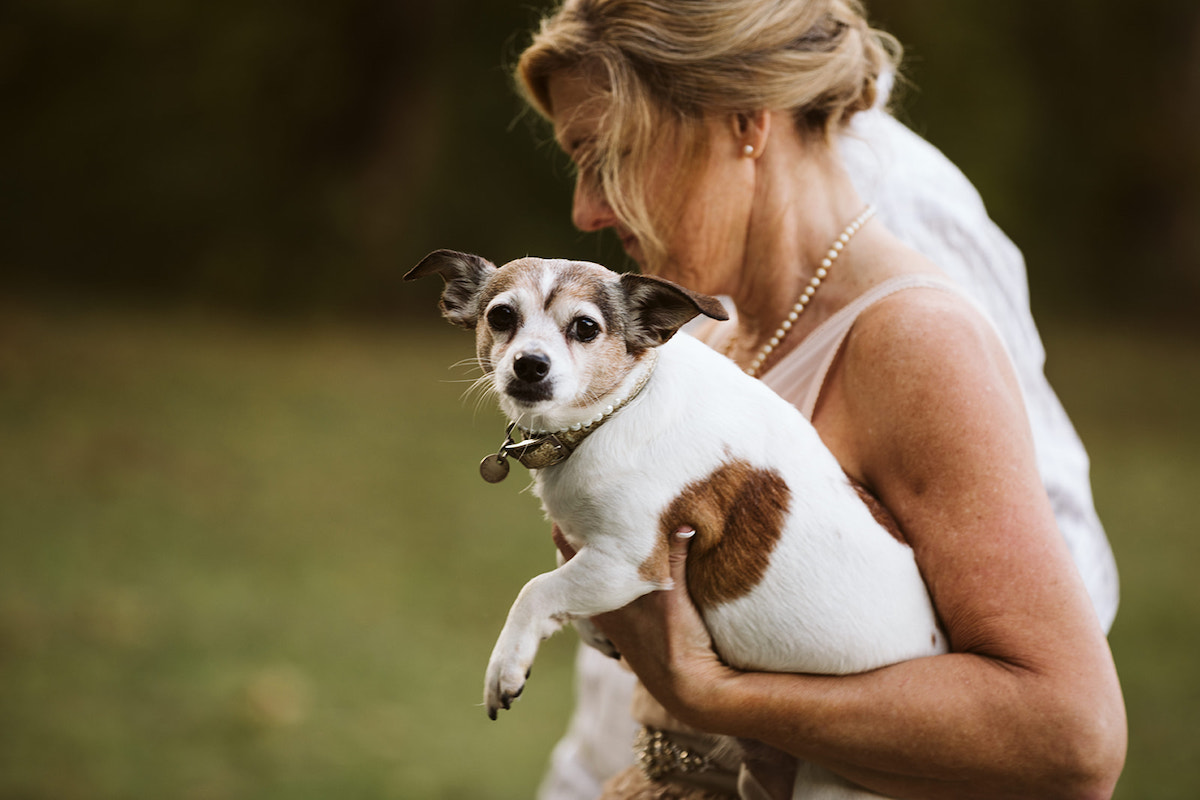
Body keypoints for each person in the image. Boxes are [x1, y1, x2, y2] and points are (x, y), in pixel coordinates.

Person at [512, 1, 1127, 797]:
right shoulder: (702, 337)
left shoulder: (913, 340)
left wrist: (715, 696)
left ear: (742, 121)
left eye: (605, 156)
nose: (585, 210)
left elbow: (1073, 740)